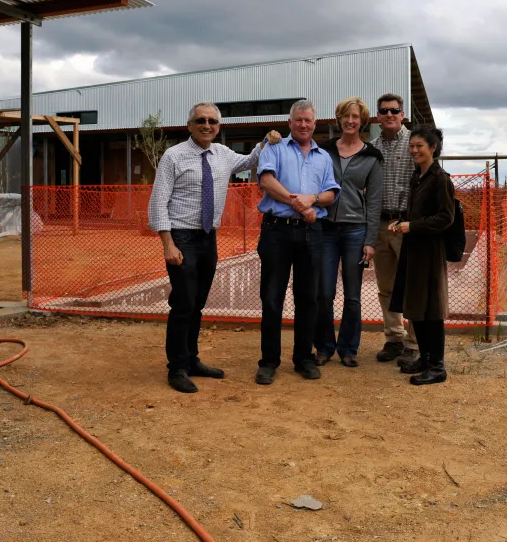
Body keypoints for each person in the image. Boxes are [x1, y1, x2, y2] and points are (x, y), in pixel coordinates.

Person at [148, 103, 281, 394]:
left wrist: (266, 139)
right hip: (181, 237)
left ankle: (192, 359)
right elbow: (158, 202)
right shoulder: (174, 156)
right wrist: (167, 243)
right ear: (189, 124)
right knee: (183, 303)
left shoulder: (223, 154)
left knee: (197, 302)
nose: (206, 125)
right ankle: (177, 368)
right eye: (200, 120)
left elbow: (249, 161)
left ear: (218, 126)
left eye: (212, 121)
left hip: (208, 238)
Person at [255, 99, 341, 385]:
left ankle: (304, 357)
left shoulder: (323, 157)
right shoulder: (275, 148)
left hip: (311, 235)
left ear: (315, 123)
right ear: (290, 122)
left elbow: (330, 193)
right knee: (271, 298)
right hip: (276, 232)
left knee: (309, 298)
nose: (304, 125)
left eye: (308, 120)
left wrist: (313, 200)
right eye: (298, 120)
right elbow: (266, 181)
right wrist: (301, 206)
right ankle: (269, 361)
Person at [313, 97, 383, 368]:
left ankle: (349, 348)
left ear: (362, 121)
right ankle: (324, 346)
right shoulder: (324, 151)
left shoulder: (371, 157)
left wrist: (370, 240)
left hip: (356, 231)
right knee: (324, 292)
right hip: (326, 230)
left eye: (355, 117)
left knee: (353, 296)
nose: (350, 121)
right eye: (346, 116)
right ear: (339, 119)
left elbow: (374, 201)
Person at [388, 125, 455, 386]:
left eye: (420, 146)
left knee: (431, 310)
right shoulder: (418, 176)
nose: (414, 150)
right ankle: (426, 359)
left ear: (433, 148)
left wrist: (412, 226)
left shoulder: (440, 179)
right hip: (414, 249)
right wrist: (402, 221)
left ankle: (437, 367)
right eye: (412, 145)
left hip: (429, 251)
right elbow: (419, 213)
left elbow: (445, 218)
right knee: (417, 306)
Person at [369, 94, 419, 366]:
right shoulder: (372, 148)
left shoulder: (414, 145)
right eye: (384, 111)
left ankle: (413, 342)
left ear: (403, 115)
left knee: (411, 286)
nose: (389, 115)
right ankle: (394, 338)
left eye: (394, 110)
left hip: (406, 225)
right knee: (386, 286)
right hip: (379, 224)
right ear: (378, 116)